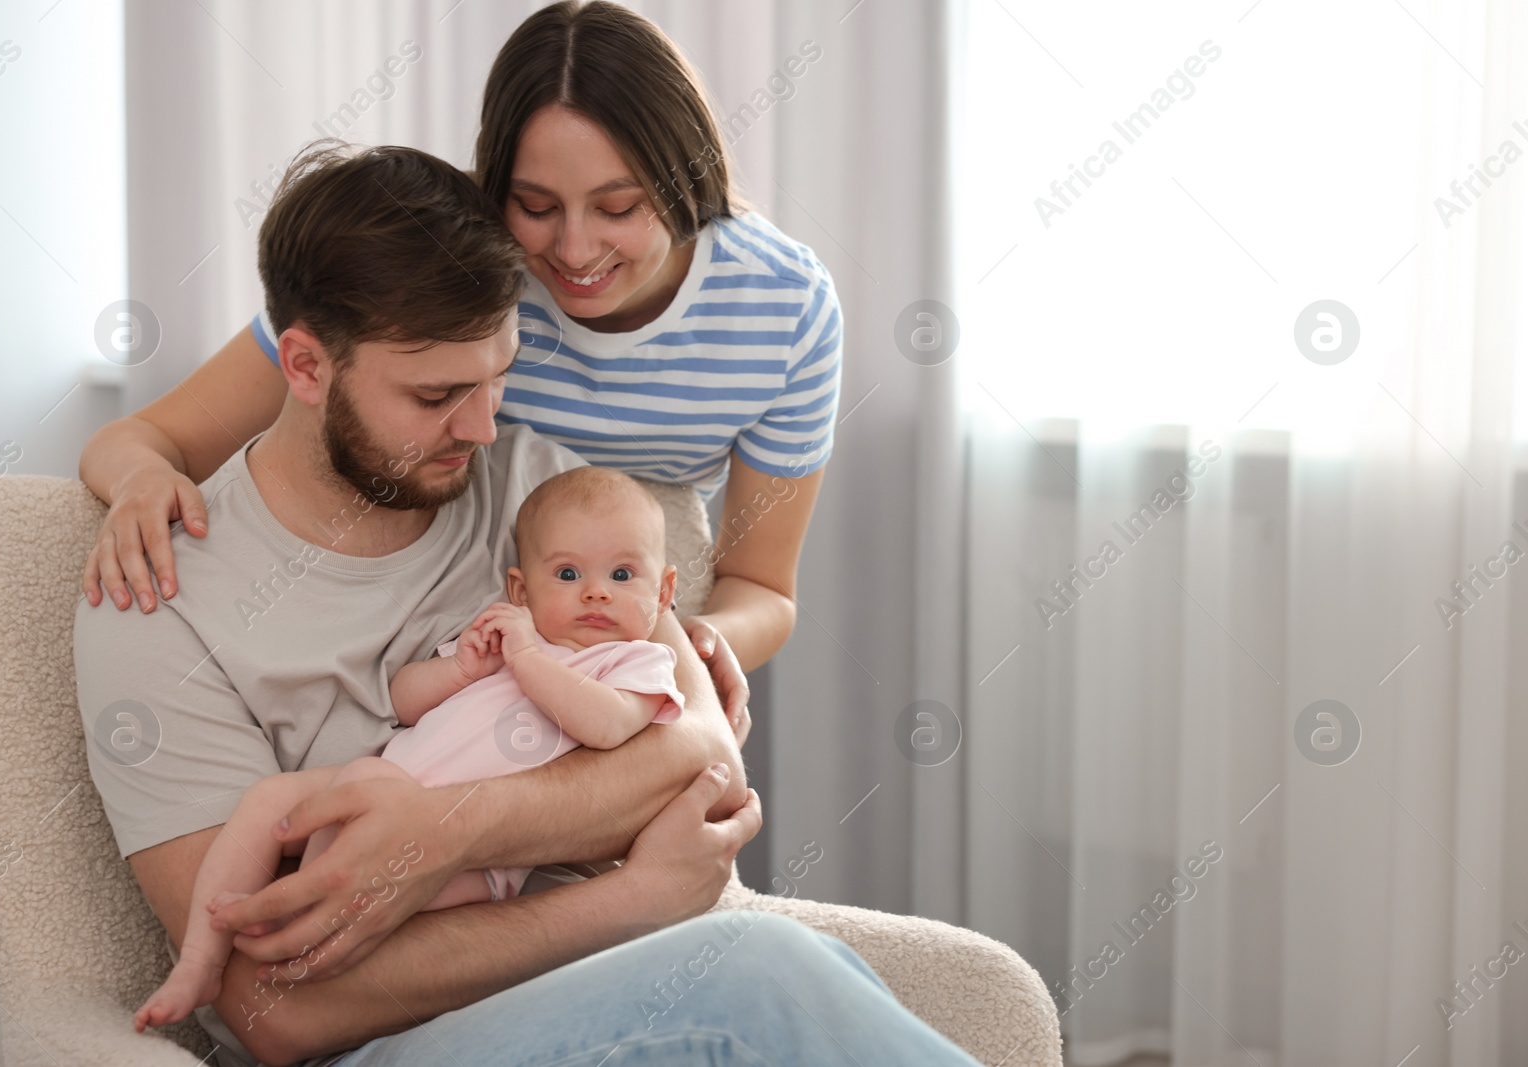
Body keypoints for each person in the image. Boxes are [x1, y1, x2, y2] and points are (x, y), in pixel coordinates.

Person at [75, 142, 977, 1067]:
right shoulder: (158, 602)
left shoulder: (531, 491)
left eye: (498, 375)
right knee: (765, 980)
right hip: (377, 1047)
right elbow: (274, 1010)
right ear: (303, 365)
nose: (481, 425)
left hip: (601, 990)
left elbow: (701, 756)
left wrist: (448, 830)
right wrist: (631, 896)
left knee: (794, 981)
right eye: (437, 394)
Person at [77, 0, 842, 732]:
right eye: (535, 206)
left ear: (686, 179)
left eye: (618, 208)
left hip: (632, 641)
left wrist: (684, 649)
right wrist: (143, 479)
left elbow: (763, 585)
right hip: (458, 639)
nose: (573, 253)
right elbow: (146, 437)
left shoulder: (784, 308)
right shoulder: (458, 263)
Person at [132, 466, 687, 1033]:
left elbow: (606, 726)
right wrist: (461, 669)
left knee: (364, 895)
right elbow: (402, 702)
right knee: (268, 799)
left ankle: (294, 937)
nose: (596, 592)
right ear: (521, 591)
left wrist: (527, 660)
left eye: (622, 574)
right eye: (568, 573)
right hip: (383, 776)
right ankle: (202, 958)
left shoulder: (636, 663)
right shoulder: (508, 633)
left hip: (475, 858)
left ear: (663, 593)